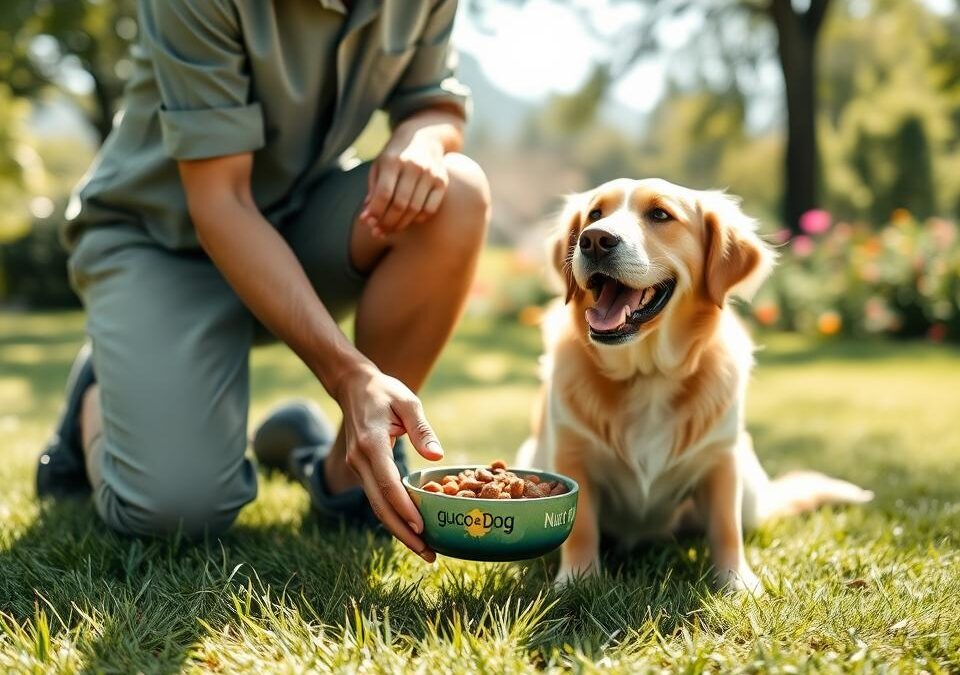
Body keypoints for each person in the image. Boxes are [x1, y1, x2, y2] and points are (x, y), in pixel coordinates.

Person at [37, 0, 489, 563]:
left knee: (456, 191)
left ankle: (349, 475)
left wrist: (423, 139)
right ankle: (101, 388)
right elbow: (221, 200)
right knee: (177, 512)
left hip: (299, 223)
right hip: (160, 241)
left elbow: (434, 101)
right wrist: (351, 376)